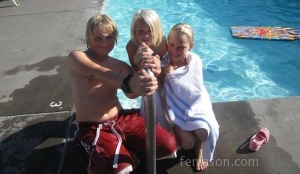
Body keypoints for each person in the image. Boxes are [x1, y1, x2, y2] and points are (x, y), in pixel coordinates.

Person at [68, 14, 177, 174]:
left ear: (116, 38)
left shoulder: (120, 66)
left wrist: (143, 68)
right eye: (98, 38)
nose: (104, 43)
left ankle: (122, 146)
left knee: (168, 145)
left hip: (120, 118)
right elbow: (95, 72)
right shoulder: (77, 57)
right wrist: (128, 83)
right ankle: (96, 163)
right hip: (93, 126)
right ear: (88, 37)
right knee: (119, 169)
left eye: (109, 37)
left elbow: (132, 95)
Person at [160, 23, 219, 172]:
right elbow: (163, 91)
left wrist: (174, 75)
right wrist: (168, 76)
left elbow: (194, 89)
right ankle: (189, 138)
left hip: (195, 103)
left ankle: (200, 149)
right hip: (176, 107)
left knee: (203, 131)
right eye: (171, 45)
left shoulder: (195, 61)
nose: (174, 50)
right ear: (167, 42)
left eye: (181, 47)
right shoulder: (163, 63)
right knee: (187, 144)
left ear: (191, 46)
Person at [126, 9, 171, 131]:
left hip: (163, 80)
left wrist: (159, 68)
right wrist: (137, 62)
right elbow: (136, 77)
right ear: (134, 31)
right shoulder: (131, 47)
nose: (145, 36)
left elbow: (169, 69)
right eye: (140, 31)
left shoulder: (162, 43)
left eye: (150, 31)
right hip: (148, 84)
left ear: (156, 30)